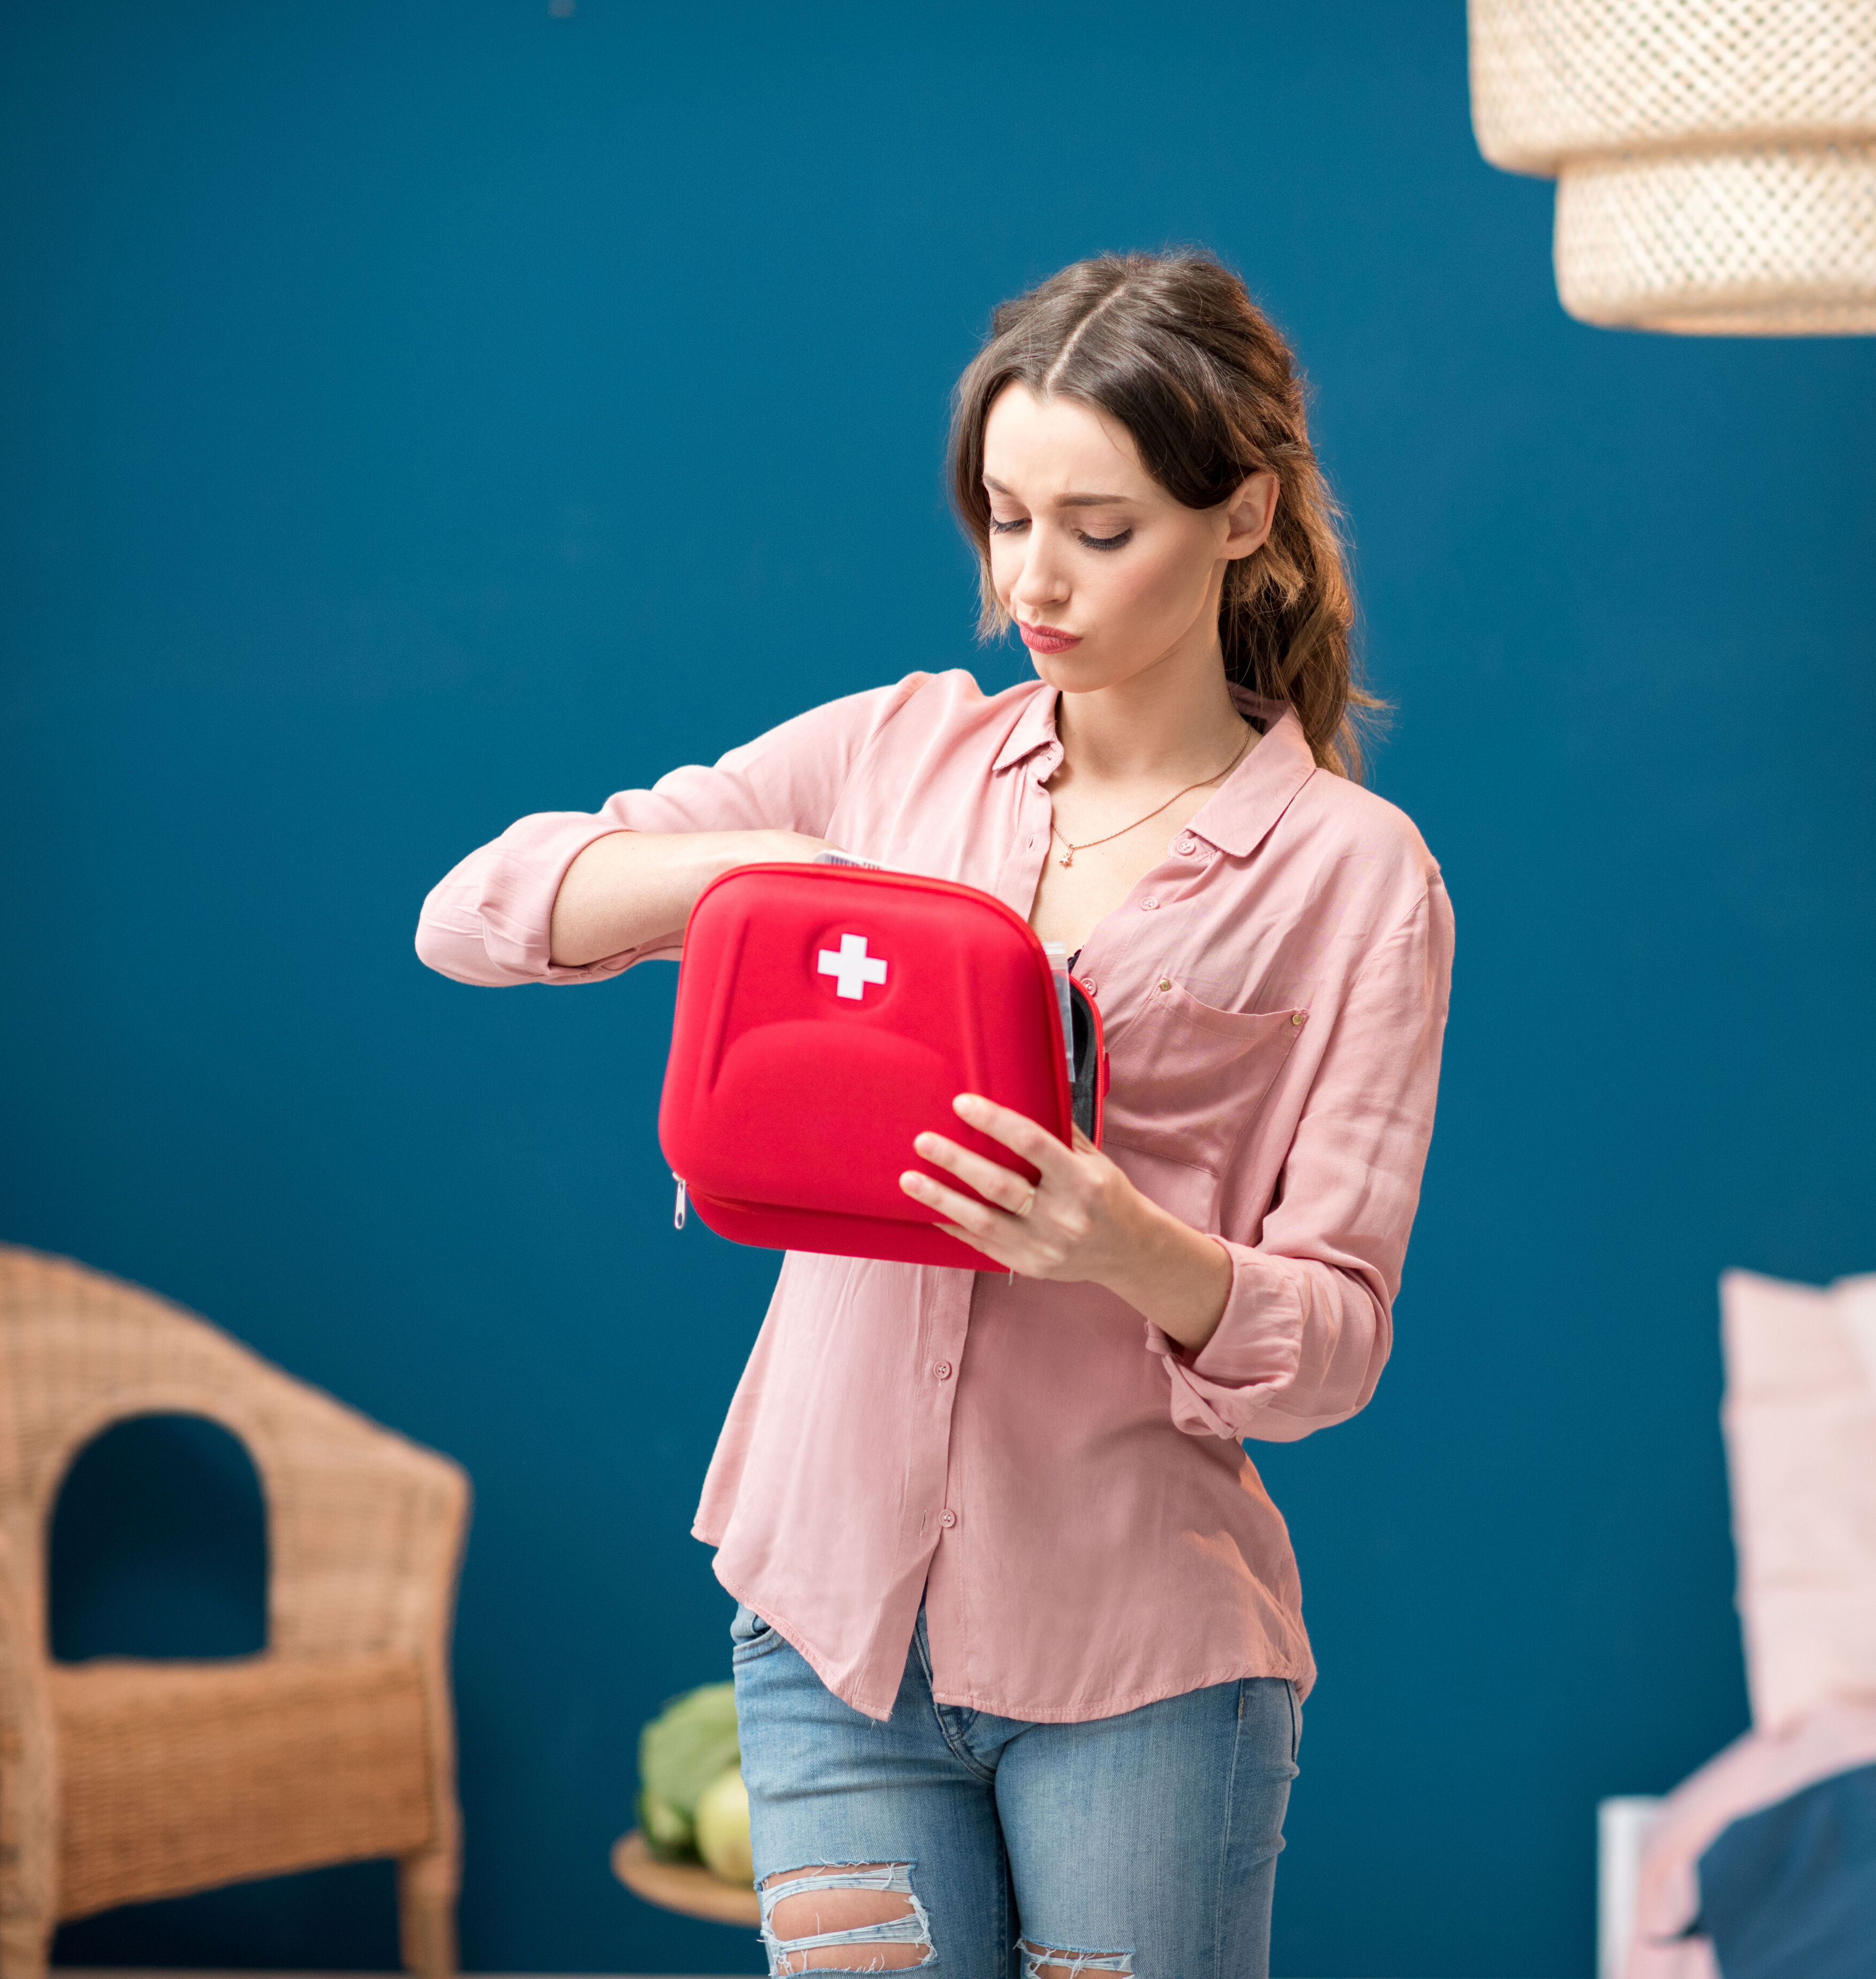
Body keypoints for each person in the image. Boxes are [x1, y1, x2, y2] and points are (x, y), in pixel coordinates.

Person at [415, 250, 1453, 1979]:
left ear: (1243, 513)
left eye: (1098, 528)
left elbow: (1337, 1338)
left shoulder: (1357, 878)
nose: (1031, 579)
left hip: (1143, 1657)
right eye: (1004, 515)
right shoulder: (891, 757)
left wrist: (1136, 1251)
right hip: (824, 1624)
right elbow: (474, 910)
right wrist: (748, 866)